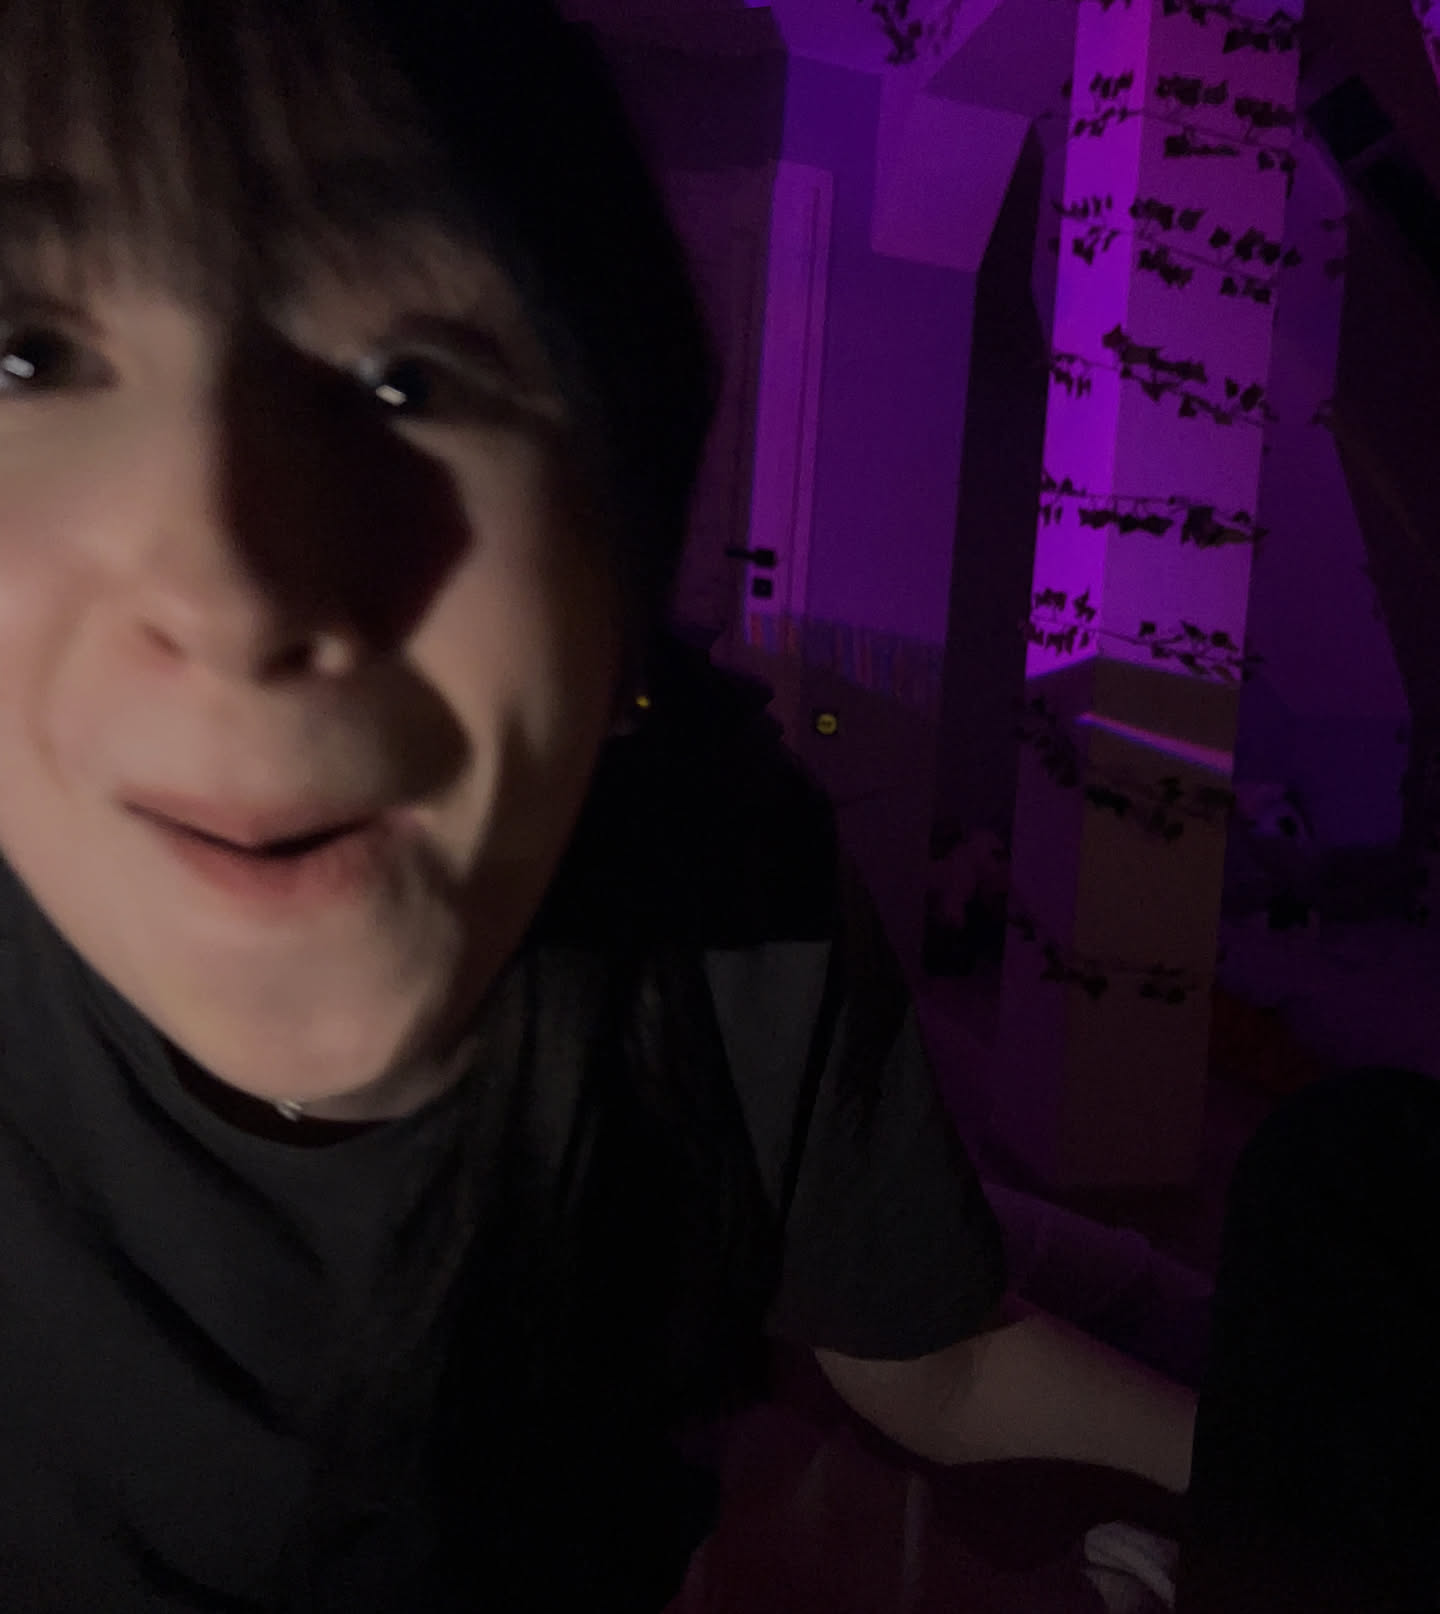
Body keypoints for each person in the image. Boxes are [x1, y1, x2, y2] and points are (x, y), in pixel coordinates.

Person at [0, 2, 1196, 1609]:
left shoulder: (723, 874)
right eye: (29, 356)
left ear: (619, 547)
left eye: (410, 375)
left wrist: (1315, 1482)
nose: (230, 590)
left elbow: (936, 1350)